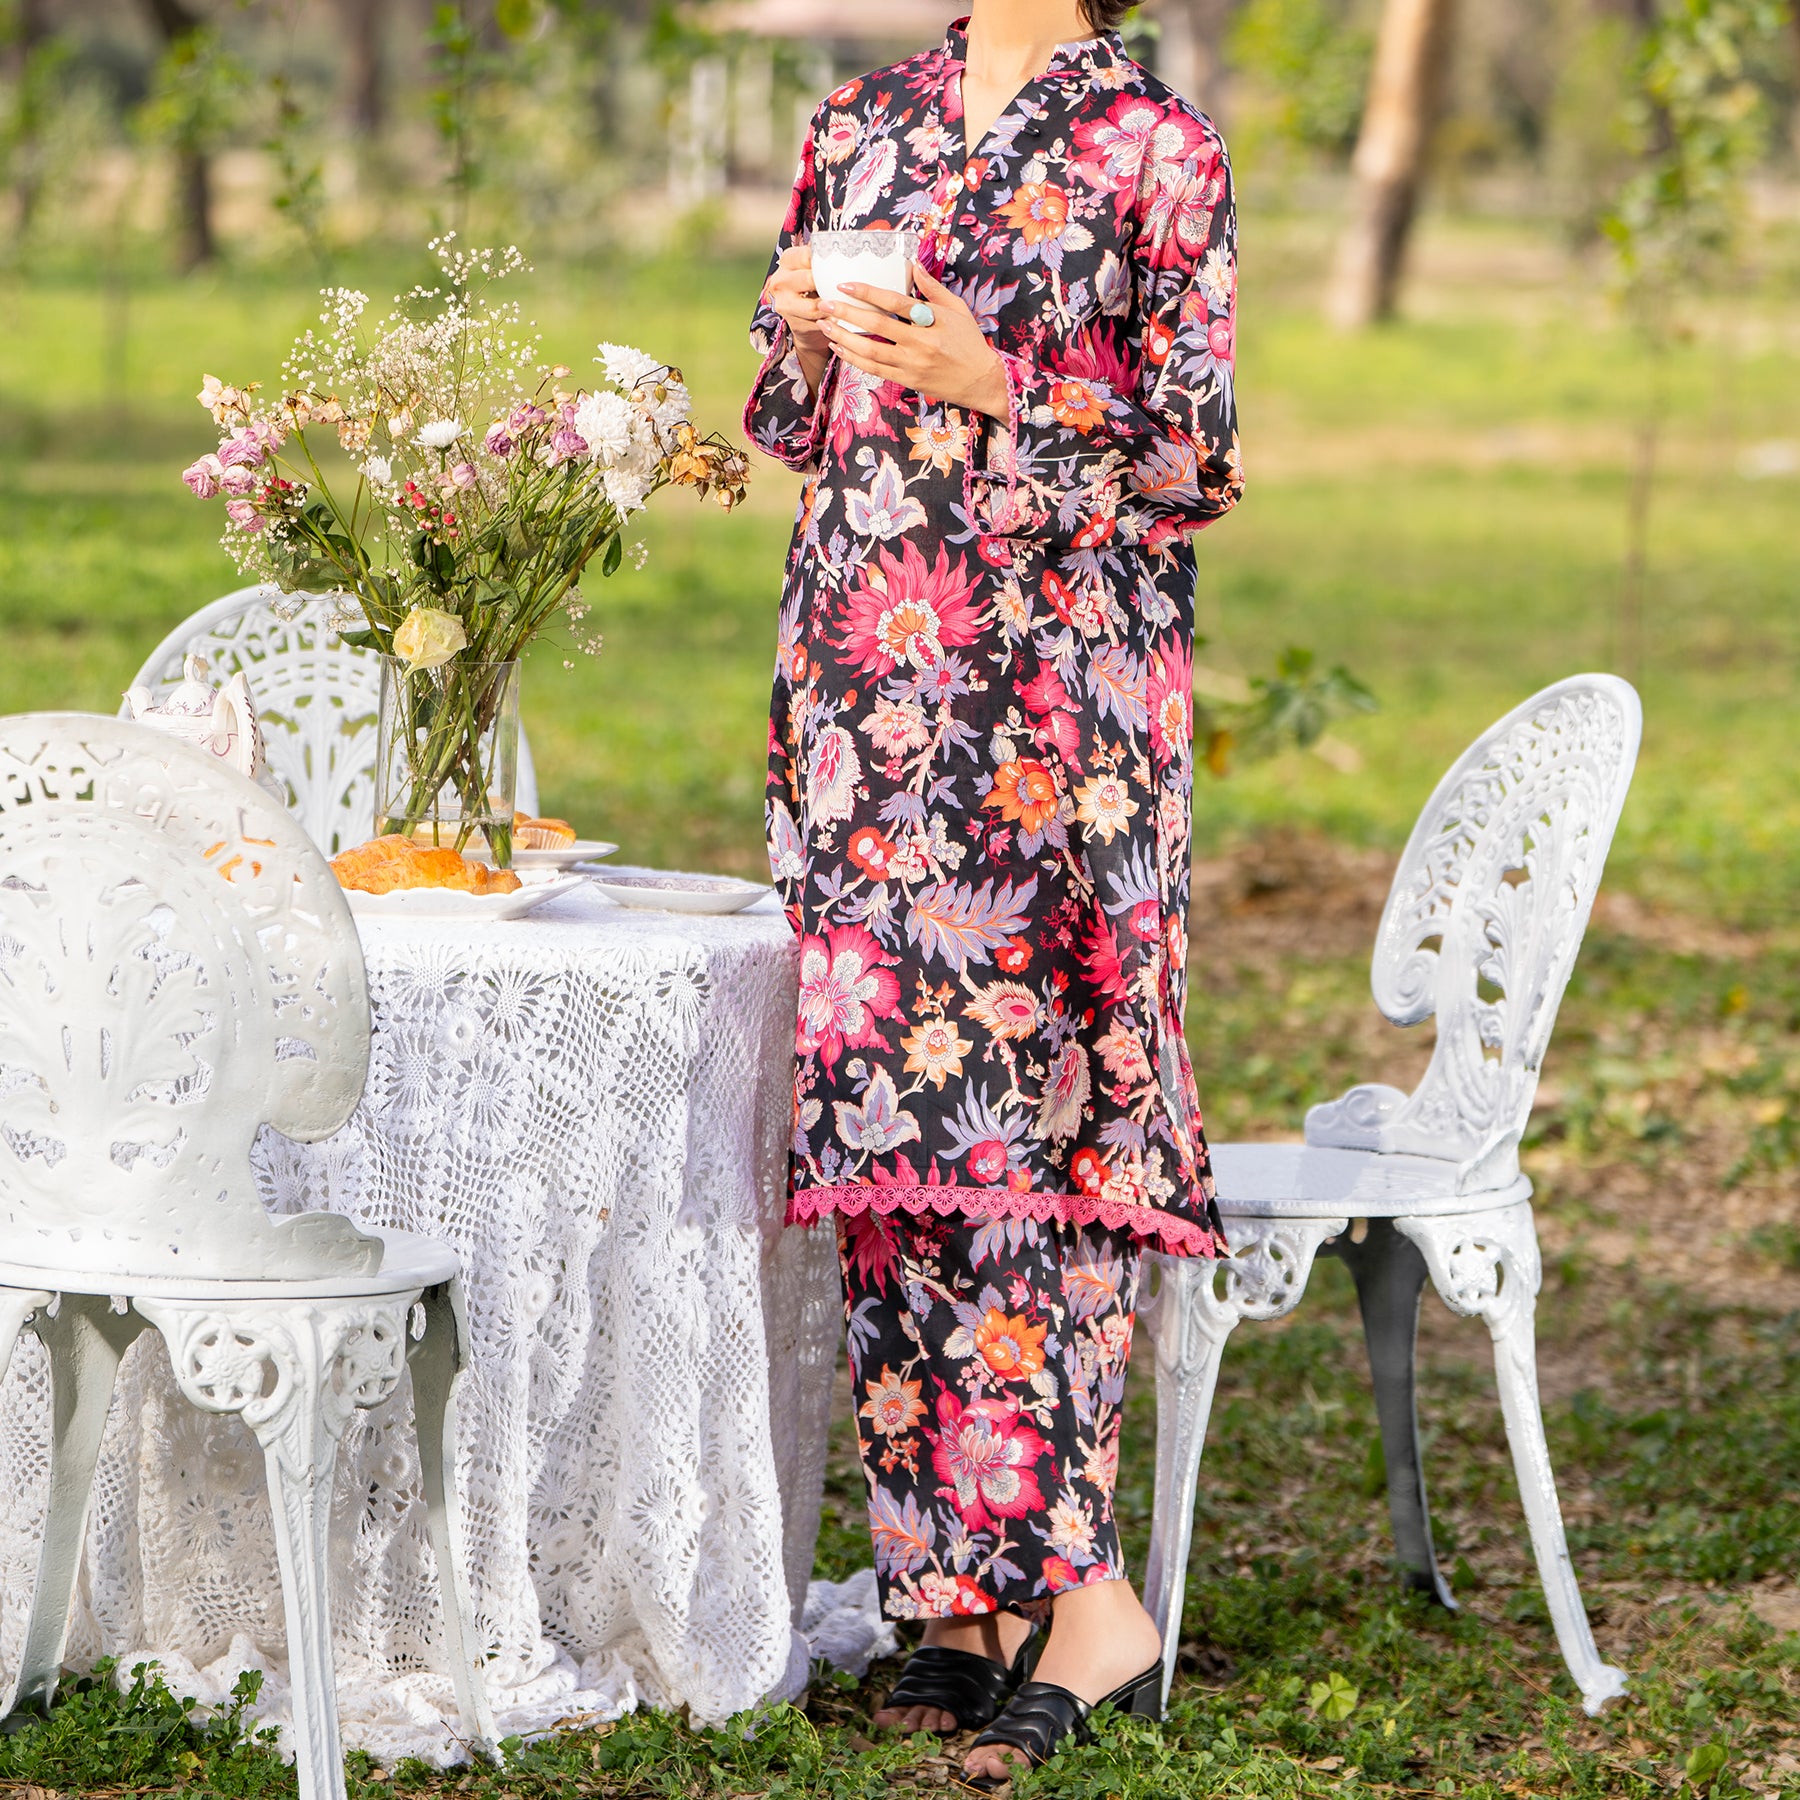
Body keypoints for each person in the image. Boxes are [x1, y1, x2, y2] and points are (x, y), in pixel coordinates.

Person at [743, 0, 1242, 1783]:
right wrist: (803, 324)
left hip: (1060, 712)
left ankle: (1086, 1601)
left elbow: (1194, 457)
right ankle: (950, 1593)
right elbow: (791, 420)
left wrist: (998, 379)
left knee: (1046, 1124)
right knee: (894, 1125)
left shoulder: (1160, 147)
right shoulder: (860, 118)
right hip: (866, 691)